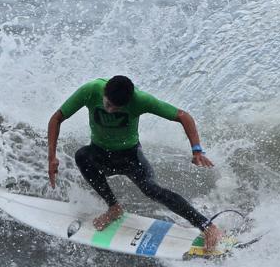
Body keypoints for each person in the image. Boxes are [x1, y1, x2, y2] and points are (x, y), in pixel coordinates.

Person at [47, 75, 222, 250]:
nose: (110, 111)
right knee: (82, 156)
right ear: (104, 91)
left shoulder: (140, 100)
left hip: (130, 157)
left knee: (151, 189)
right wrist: (52, 157)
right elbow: (57, 118)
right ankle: (114, 208)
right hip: (100, 153)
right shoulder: (91, 90)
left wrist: (197, 150)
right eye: (108, 104)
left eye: (116, 109)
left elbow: (183, 116)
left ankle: (207, 226)